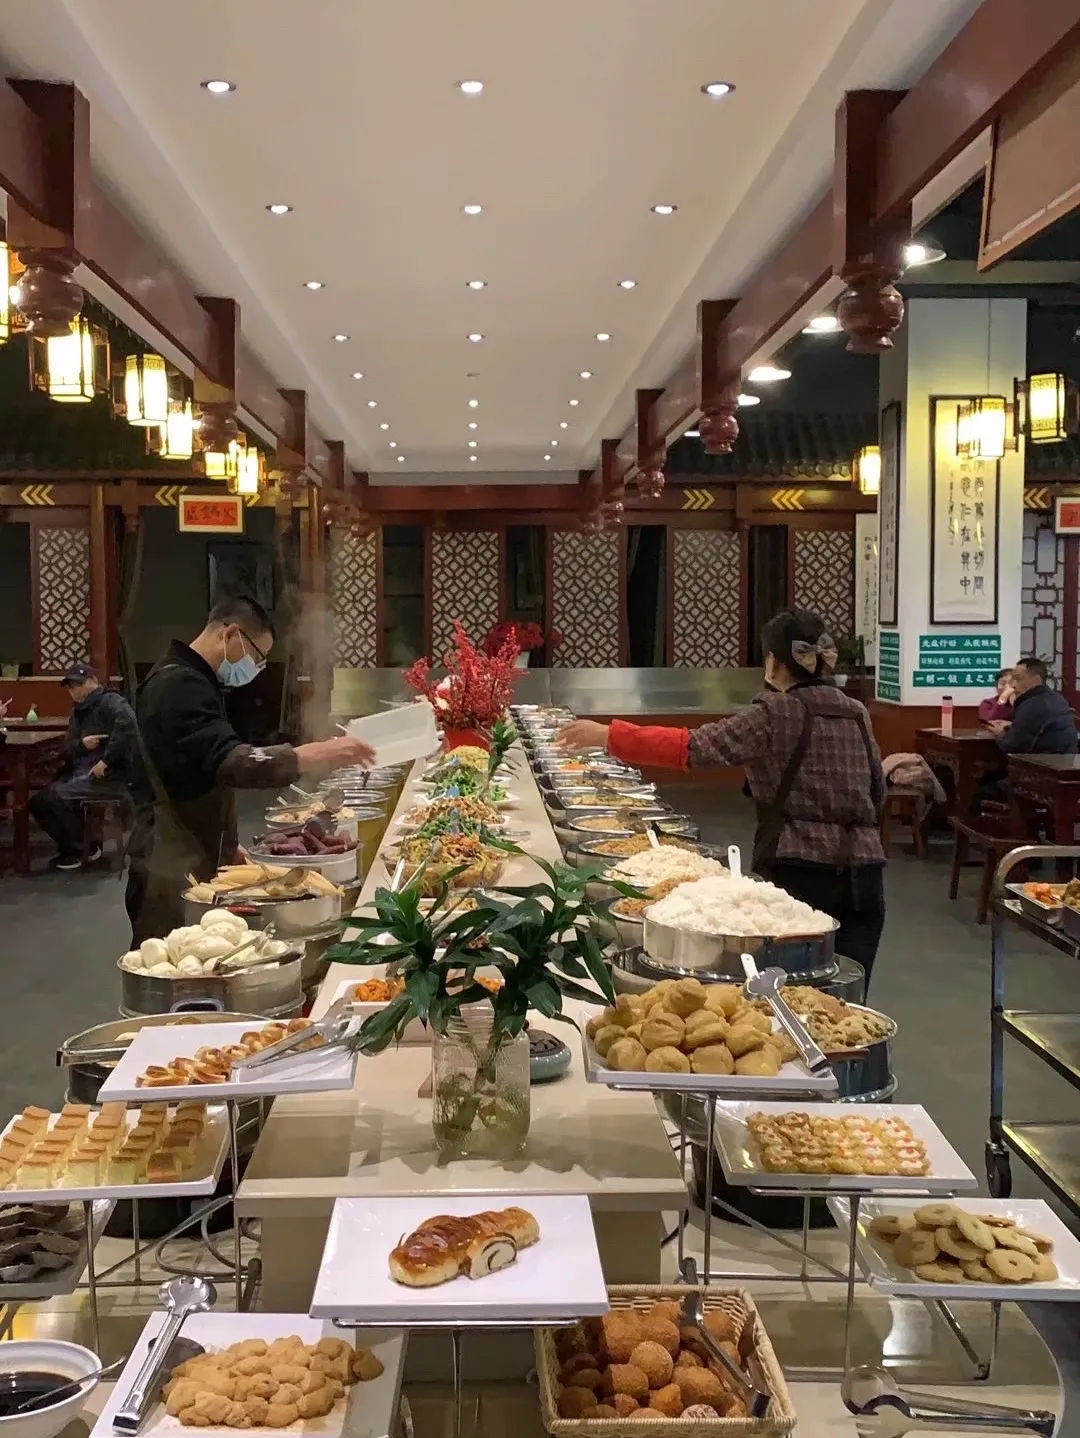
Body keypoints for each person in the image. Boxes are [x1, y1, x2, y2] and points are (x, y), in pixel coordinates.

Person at [559, 608, 887, 984]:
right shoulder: (856, 712)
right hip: (865, 876)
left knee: (783, 989)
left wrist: (609, 735)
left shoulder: (775, 711)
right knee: (845, 991)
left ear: (773, 662)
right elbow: (877, 790)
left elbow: (694, 748)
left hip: (799, 871)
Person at [126, 595, 376, 943]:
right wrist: (317, 752)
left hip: (190, 847)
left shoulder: (193, 679)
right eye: (257, 657)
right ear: (230, 634)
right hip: (166, 865)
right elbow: (232, 762)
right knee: (172, 958)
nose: (256, 669)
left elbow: (198, 768)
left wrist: (227, 844)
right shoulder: (177, 684)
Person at [28, 663, 136, 871]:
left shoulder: (111, 701)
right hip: (80, 772)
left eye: (79, 684)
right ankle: (81, 845)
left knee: (52, 798)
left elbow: (128, 727)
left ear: (93, 681)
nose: (74, 690)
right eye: (70, 687)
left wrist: (106, 761)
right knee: (40, 800)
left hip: (109, 776)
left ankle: (80, 848)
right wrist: (82, 745)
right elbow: (68, 747)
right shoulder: (77, 713)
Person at [985, 657, 1077, 756]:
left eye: (1018, 679)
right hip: (1065, 759)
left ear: (1036, 679)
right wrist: (1012, 726)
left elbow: (1013, 746)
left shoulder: (1033, 704)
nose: (1013, 685)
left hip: (1045, 762)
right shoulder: (1056, 697)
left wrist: (1000, 733)